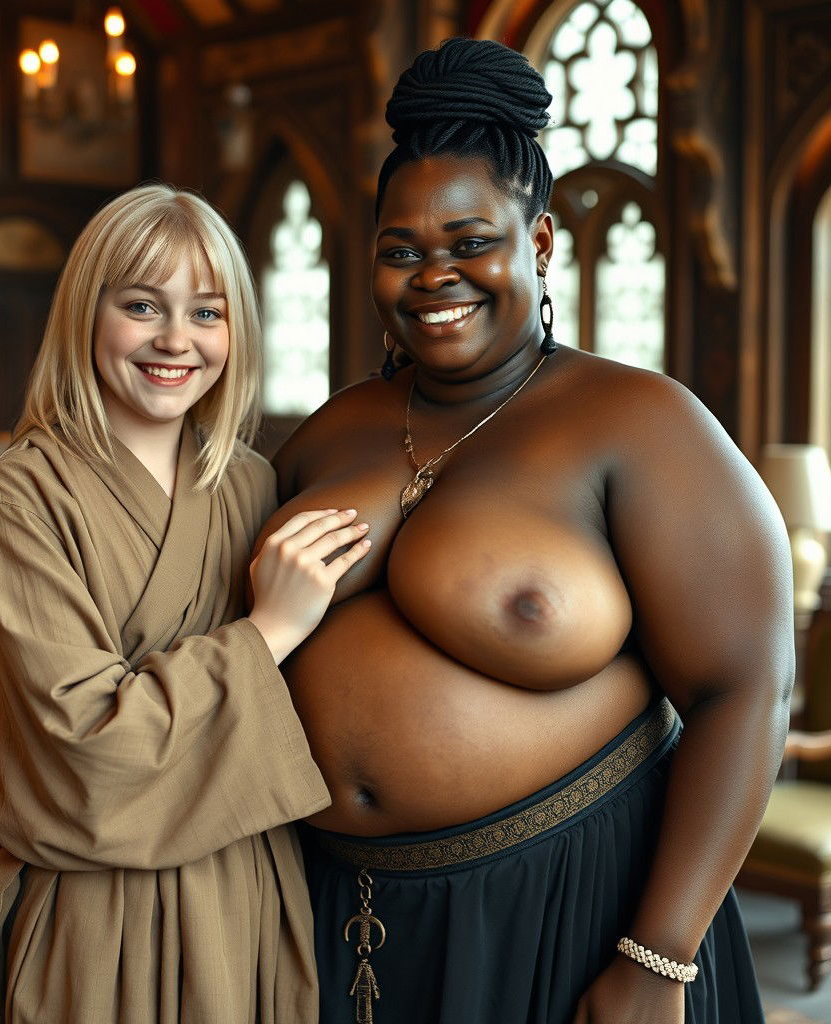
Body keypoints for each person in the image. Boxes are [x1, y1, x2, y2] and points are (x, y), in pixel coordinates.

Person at [263, 38, 793, 1024]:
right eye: (401, 249)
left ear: (539, 242)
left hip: (568, 914)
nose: (434, 275)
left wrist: (657, 958)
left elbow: (742, 688)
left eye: (470, 242)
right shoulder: (328, 432)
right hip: (330, 915)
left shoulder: (639, 423)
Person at [0, 183, 372, 1023]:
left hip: (248, 883)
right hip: (98, 912)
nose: (176, 340)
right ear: (86, 313)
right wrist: (269, 632)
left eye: (207, 313)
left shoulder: (253, 483)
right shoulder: (22, 498)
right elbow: (86, 749)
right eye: (143, 305)